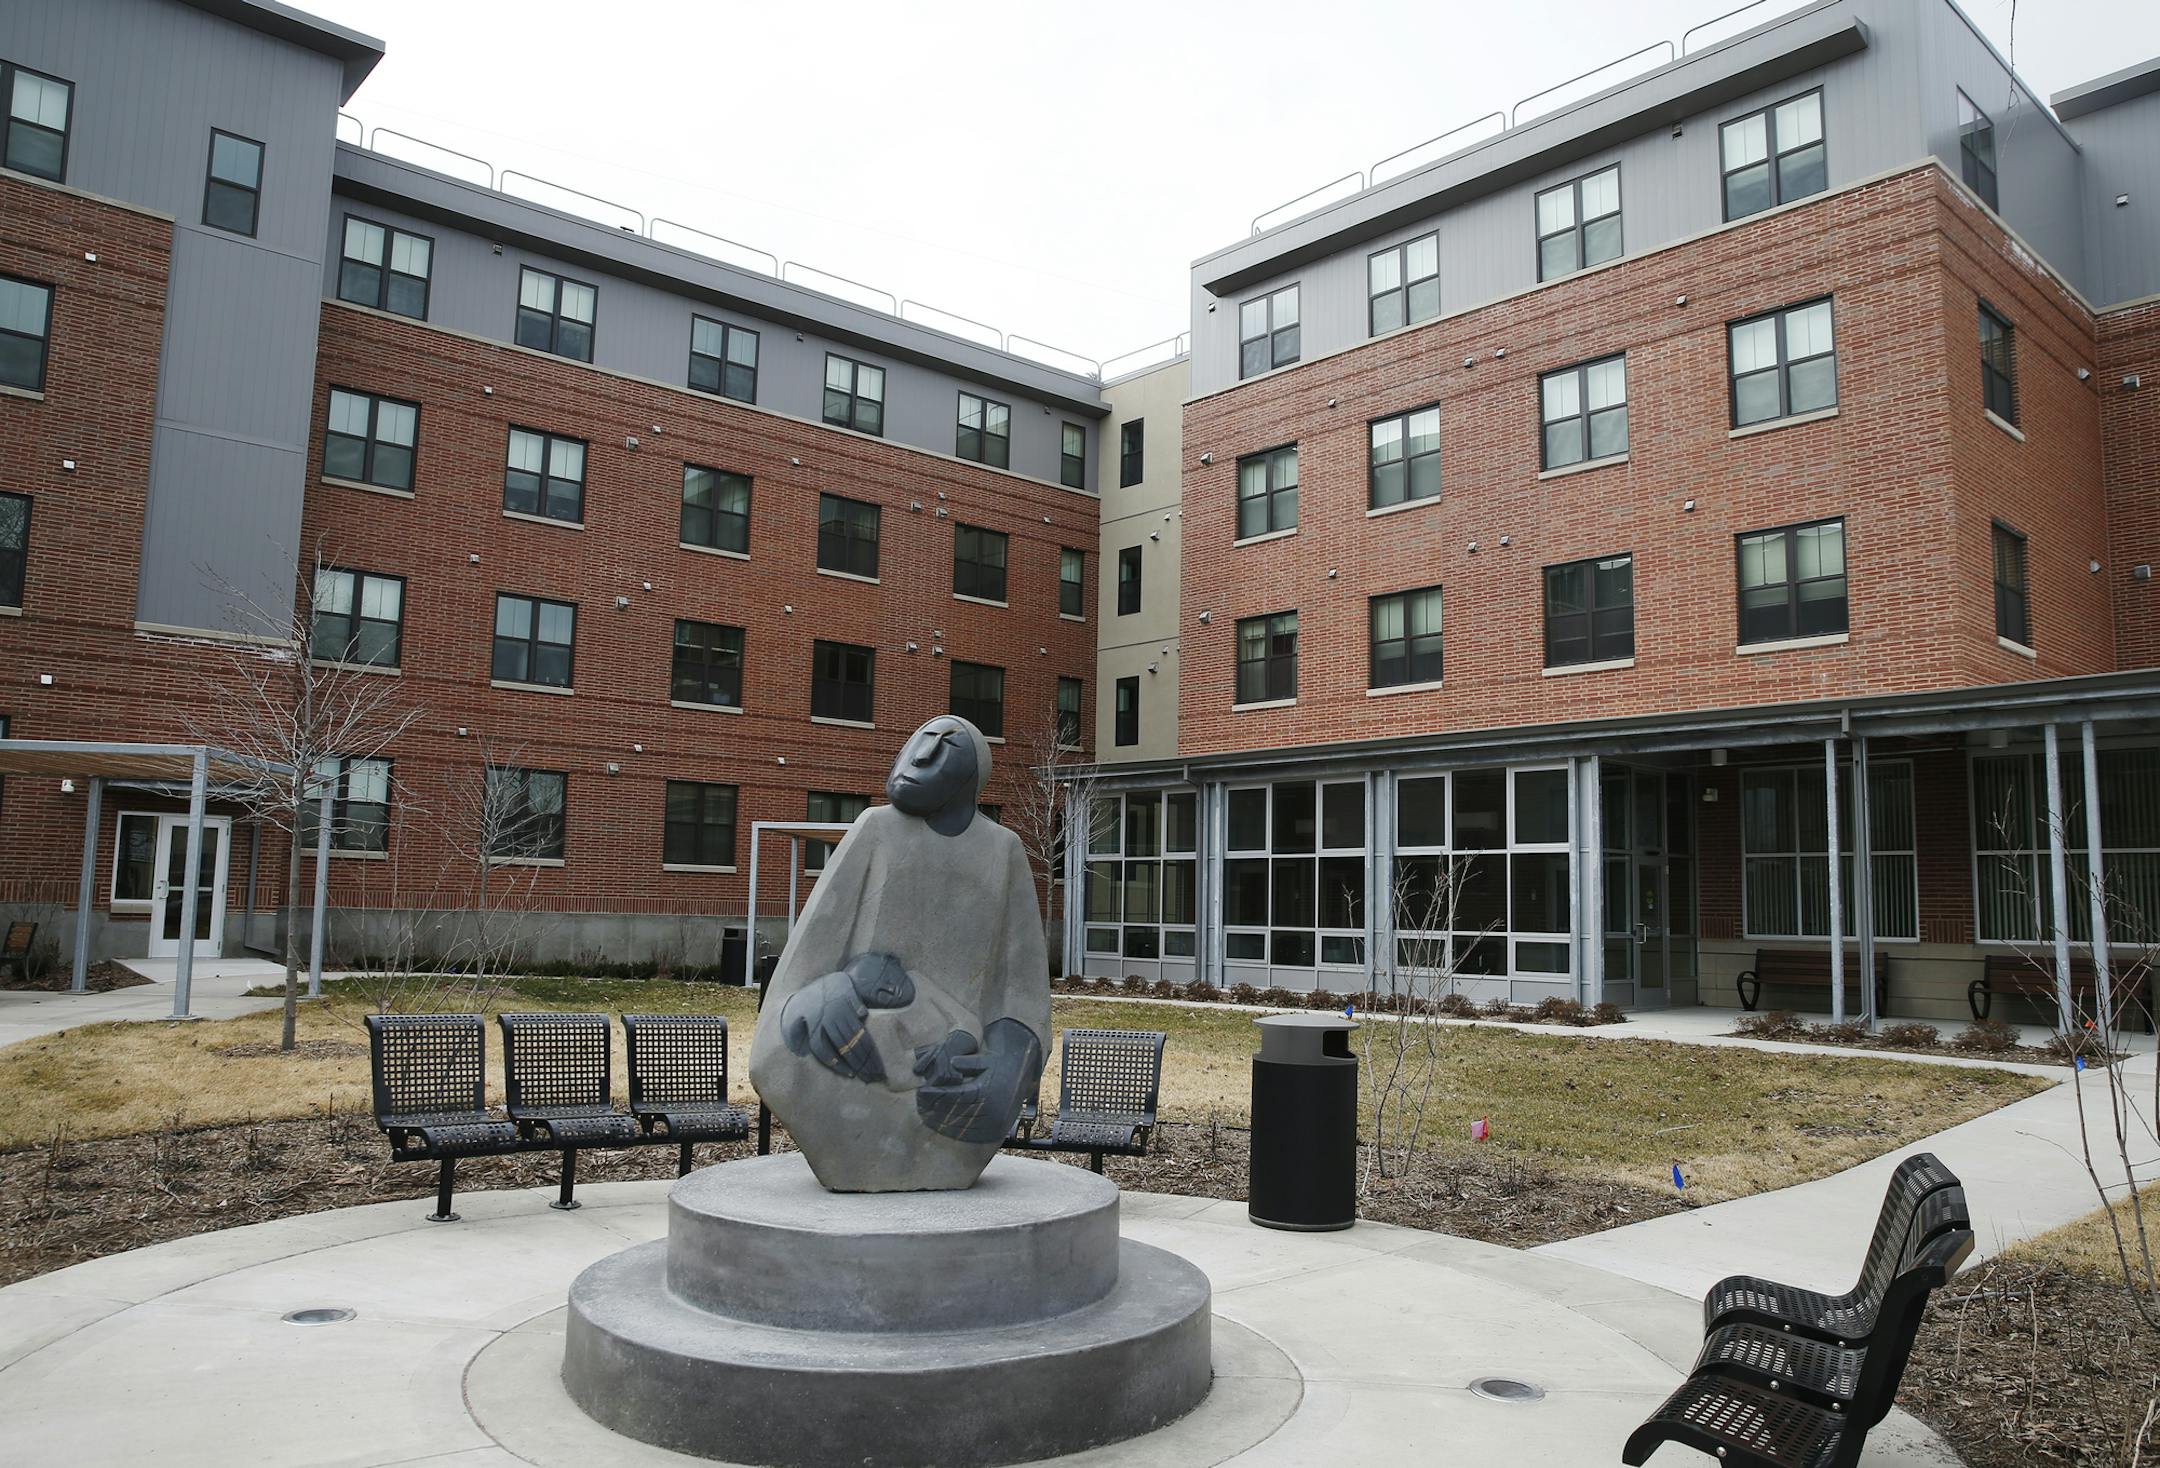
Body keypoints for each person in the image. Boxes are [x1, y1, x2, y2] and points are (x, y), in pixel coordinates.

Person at [748, 715, 1049, 1191]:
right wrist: (816, 998)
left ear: (972, 778)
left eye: (945, 746)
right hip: (859, 1047)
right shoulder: (876, 830)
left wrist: (1009, 1065)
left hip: (948, 1061)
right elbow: (808, 957)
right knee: (801, 1054)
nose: (921, 756)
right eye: (919, 740)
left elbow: (1023, 985)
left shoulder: (1002, 851)